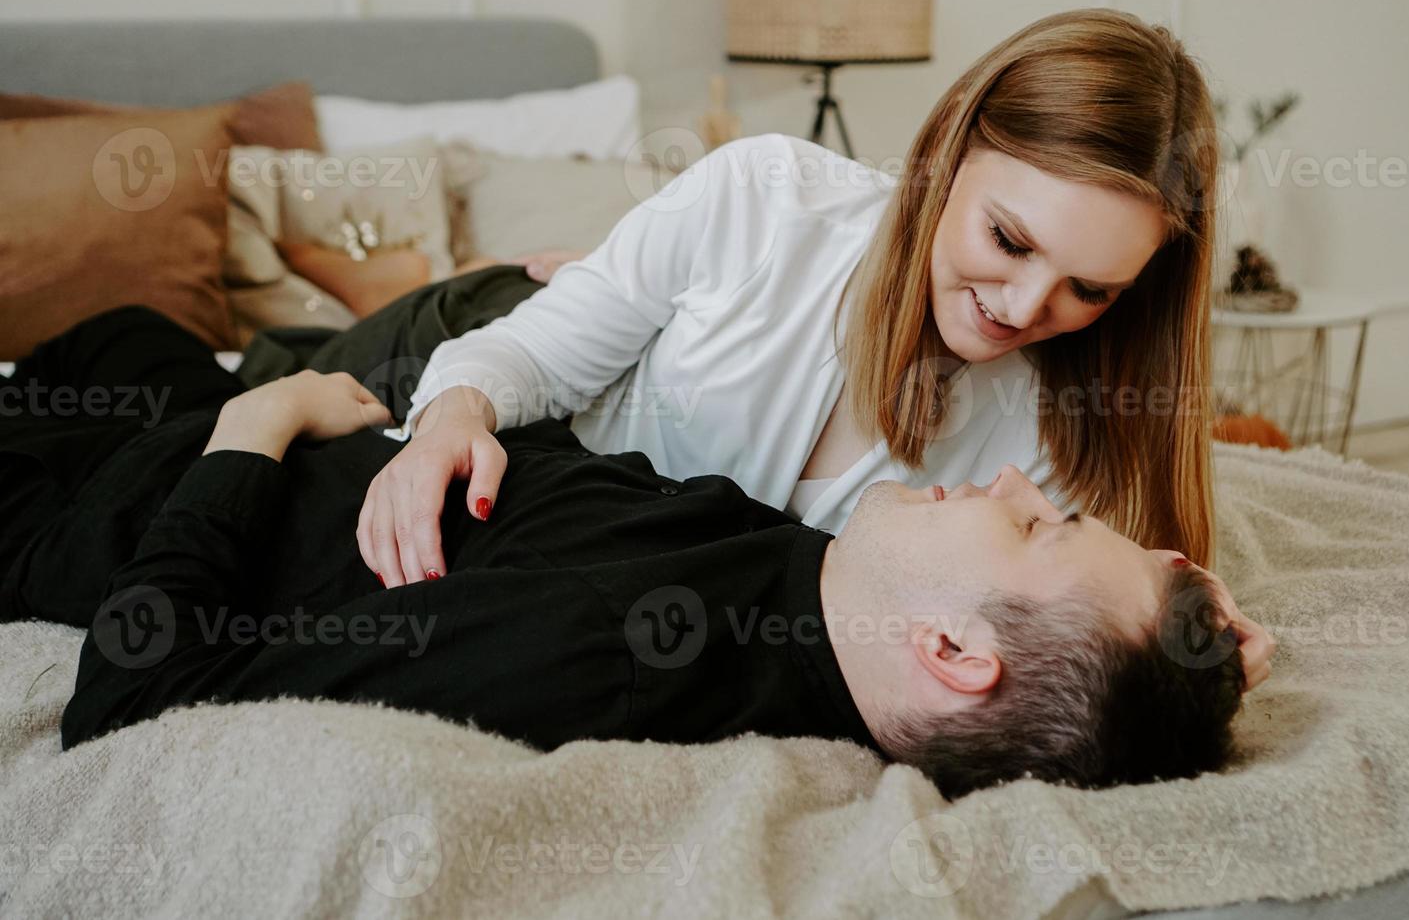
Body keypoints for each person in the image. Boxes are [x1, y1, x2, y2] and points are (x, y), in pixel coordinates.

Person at [0, 309, 1267, 798]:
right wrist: (1188, 654)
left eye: (1036, 522)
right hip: (261, 424)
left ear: (948, 648)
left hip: (115, 499)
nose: (1007, 481)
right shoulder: (833, 593)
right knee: (117, 324)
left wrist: (255, 422)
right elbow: (1098, 671)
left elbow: (132, 694)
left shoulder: (604, 652)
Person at [356, 8, 1228, 625]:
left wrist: (1184, 623)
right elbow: (532, 358)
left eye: (1091, 290)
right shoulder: (763, 195)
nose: (1025, 308)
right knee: (274, 384)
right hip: (461, 330)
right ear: (945, 153)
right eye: (1007, 239)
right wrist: (451, 417)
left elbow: (1080, 628)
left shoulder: (1064, 443)